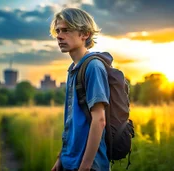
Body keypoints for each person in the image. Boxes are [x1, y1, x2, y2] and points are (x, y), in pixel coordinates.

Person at [50, 8, 112, 171]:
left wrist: (85, 167)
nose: (59, 36)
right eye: (57, 31)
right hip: (70, 162)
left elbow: (99, 120)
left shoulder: (93, 67)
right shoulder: (73, 69)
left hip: (89, 166)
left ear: (85, 34)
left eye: (66, 30)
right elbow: (72, 121)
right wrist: (61, 158)